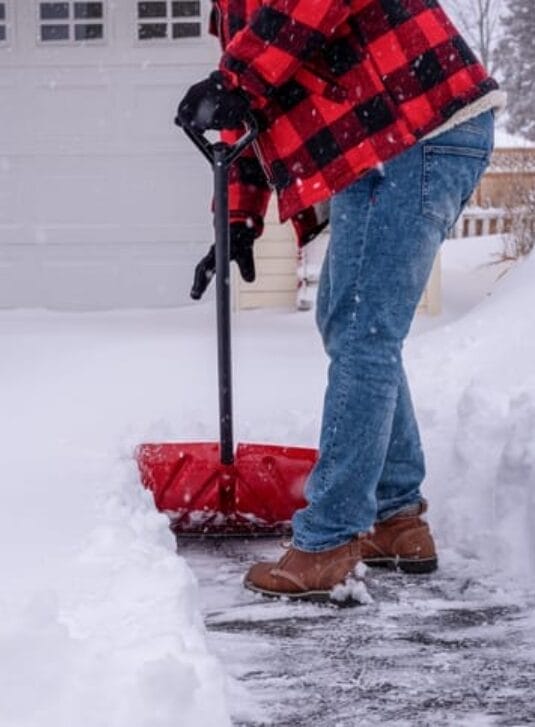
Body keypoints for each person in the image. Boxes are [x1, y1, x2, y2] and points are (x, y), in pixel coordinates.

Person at [177, 0, 506, 602]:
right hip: (387, 136)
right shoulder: (232, 10)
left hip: (416, 122)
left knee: (363, 332)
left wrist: (234, 79)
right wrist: (238, 220)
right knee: (350, 322)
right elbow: (246, 109)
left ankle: (330, 540)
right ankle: (395, 518)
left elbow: (259, 63)